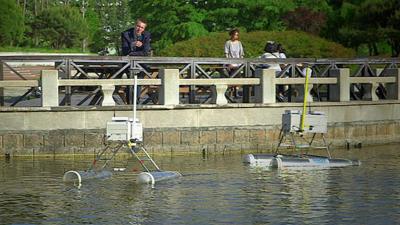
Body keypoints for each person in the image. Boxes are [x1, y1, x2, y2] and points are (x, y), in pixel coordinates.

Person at [120, 18, 151, 104]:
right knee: (129, 78)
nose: (139, 29)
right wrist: (132, 44)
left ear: (144, 29)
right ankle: (130, 101)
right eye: (138, 26)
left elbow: (145, 52)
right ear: (135, 25)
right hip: (127, 64)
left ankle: (135, 101)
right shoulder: (125, 34)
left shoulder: (146, 35)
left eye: (142, 27)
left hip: (141, 64)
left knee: (139, 79)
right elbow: (125, 51)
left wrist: (139, 48)